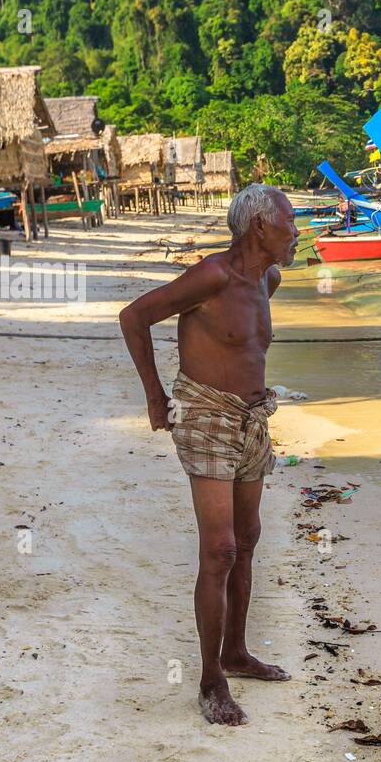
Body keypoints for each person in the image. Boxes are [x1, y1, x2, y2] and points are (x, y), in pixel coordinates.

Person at [119, 183, 300, 725]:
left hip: (251, 421)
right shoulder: (211, 275)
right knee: (219, 550)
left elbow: (242, 345)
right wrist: (155, 396)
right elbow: (134, 317)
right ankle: (210, 680)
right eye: (290, 222)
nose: (297, 232)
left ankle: (236, 653)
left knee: (247, 540)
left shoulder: (269, 278)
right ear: (260, 228)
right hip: (203, 417)